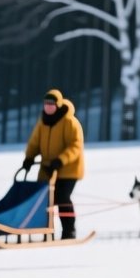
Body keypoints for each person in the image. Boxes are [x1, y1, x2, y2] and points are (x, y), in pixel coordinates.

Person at [21, 89, 85, 239]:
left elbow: (75, 146)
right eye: (46, 104)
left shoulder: (69, 122)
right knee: (43, 199)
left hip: (68, 170)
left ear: (58, 105)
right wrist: (29, 158)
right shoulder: (42, 122)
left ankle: (69, 231)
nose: (48, 107)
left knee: (62, 198)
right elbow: (34, 143)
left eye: (51, 104)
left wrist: (61, 160)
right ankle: (47, 230)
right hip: (47, 168)